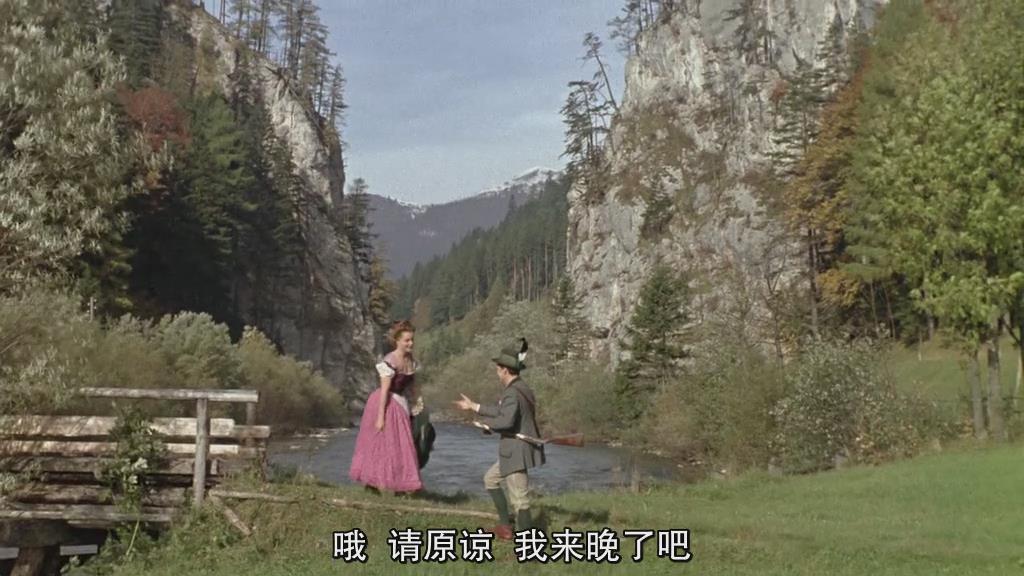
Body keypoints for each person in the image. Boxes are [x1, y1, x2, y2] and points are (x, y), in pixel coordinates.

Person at [454, 338, 545, 540]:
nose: (497, 372)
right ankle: (505, 527)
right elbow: (503, 412)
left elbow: (506, 421)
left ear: (505, 370)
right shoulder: (521, 388)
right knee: (491, 480)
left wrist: (487, 425)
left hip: (516, 451)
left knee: (520, 500)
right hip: (514, 450)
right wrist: (474, 406)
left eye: (498, 369)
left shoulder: (512, 392)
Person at [349, 320, 423, 493]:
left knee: (401, 446)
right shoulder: (390, 360)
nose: (410, 343)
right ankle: (373, 483)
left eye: (412, 340)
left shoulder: (411, 361)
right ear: (397, 341)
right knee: (382, 444)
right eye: (407, 340)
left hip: (401, 403)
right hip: (386, 403)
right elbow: (384, 390)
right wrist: (380, 417)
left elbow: (413, 386)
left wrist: (417, 402)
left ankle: (400, 484)